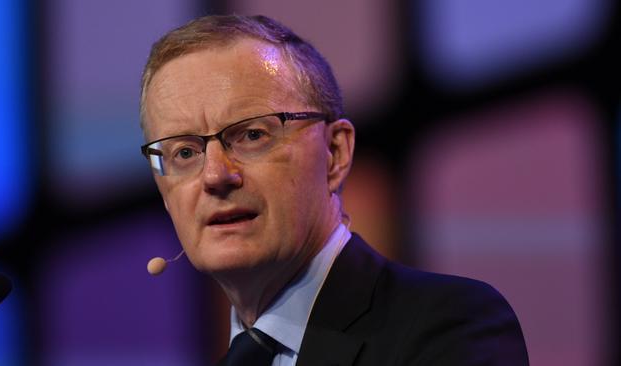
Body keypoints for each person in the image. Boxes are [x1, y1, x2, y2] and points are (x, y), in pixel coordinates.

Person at [139, 14, 529, 366]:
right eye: (185, 151)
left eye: (252, 135)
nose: (215, 176)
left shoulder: (446, 327)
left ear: (335, 154)